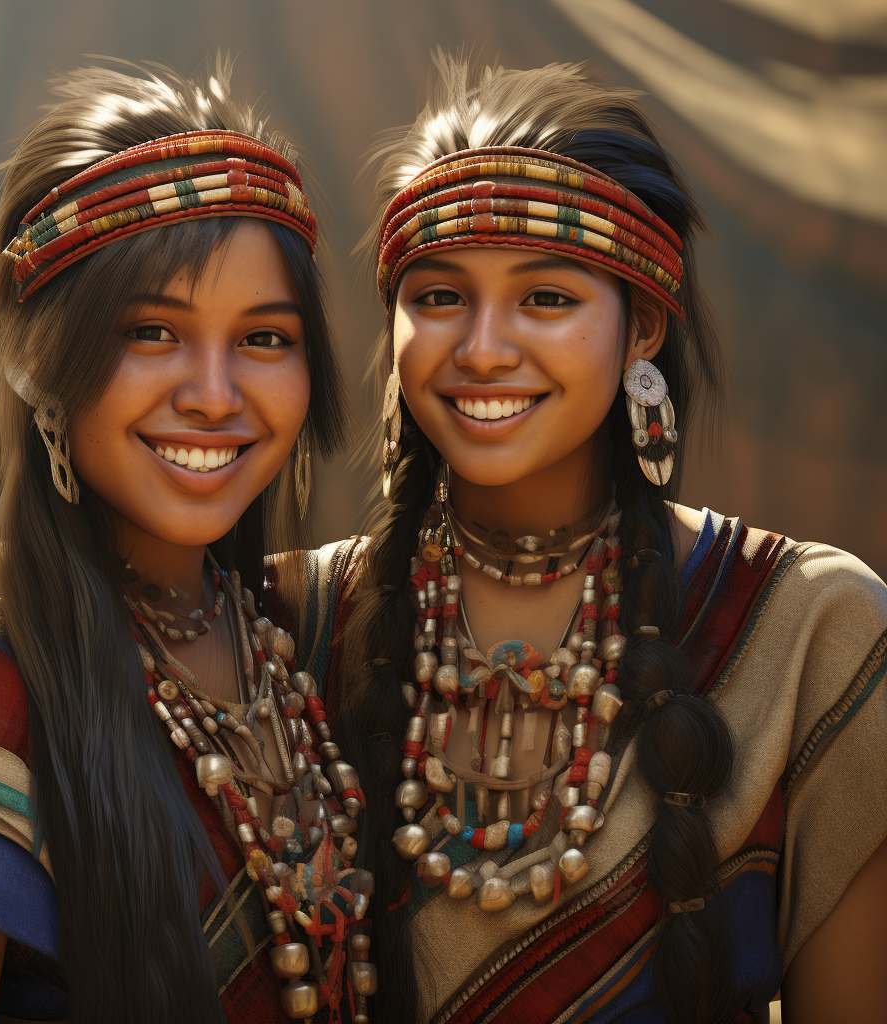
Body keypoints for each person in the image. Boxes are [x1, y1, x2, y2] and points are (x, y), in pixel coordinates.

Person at [329, 55, 887, 1024]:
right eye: (438, 295)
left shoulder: (810, 626)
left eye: (546, 297)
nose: (483, 347)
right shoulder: (298, 615)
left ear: (642, 330)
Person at [0, 61, 374, 1024]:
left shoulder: (285, 641)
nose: (215, 395)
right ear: (31, 358)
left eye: (264, 338)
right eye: (152, 331)